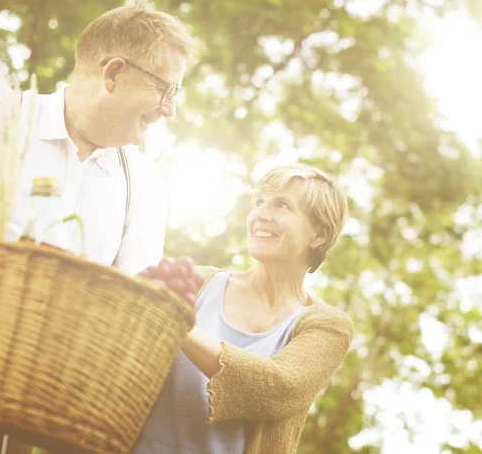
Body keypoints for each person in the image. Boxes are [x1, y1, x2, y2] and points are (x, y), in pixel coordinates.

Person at [0, 1, 195, 454]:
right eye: (165, 90)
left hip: (14, 411)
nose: (169, 110)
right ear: (113, 74)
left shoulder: (142, 184)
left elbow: (132, 298)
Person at [132, 163, 354, 454]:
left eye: (281, 205)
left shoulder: (328, 326)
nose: (261, 214)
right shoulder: (196, 282)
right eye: (258, 202)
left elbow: (277, 390)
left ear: (319, 234)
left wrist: (178, 325)